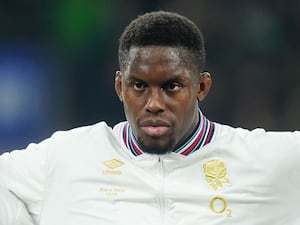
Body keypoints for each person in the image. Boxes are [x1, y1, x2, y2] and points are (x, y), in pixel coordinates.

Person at [0, 10, 300, 225]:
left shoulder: (269, 160)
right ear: (120, 86)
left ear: (201, 87)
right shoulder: (65, 157)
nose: (154, 103)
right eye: (139, 86)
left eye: (171, 86)